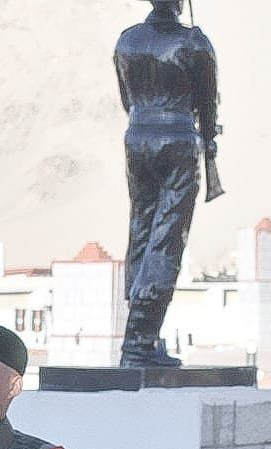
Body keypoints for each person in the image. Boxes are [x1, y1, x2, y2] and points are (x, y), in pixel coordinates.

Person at [115, 0, 220, 366]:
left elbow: (127, 99)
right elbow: (207, 104)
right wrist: (208, 140)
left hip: (138, 137)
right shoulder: (194, 43)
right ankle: (140, 341)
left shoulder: (127, 41)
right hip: (177, 138)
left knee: (140, 231)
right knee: (166, 239)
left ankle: (140, 335)